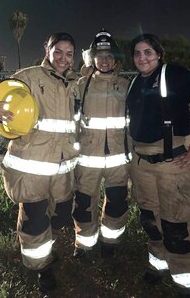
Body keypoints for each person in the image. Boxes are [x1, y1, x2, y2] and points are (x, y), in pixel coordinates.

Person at [0, 32, 79, 293]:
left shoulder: (77, 82)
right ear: (47, 50)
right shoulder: (28, 76)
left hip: (63, 171)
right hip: (30, 169)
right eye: (58, 52)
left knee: (62, 216)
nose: (63, 59)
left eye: (69, 54)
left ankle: (45, 247)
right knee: (35, 221)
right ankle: (41, 269)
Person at [126, 33, 190, 297]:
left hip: (174, 163)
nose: (142, 57)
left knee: (178, 223)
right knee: (150, 219)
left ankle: (187, 282)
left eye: (148, 52)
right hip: (142, 163)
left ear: (159, 54)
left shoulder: (174, 74)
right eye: (138, 53)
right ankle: (159, 263)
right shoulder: (134, 82)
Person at [71, 29, 130, 260]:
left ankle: (110, 243)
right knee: (84, 205)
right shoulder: (80, 86)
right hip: (87, 161)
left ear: (115, 59)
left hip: (118, 161)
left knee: (116, 203)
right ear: (91, 58)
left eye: (109, 56)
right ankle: (84, 245)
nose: (104, 61)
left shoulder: (126, 86)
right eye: (100, 55)